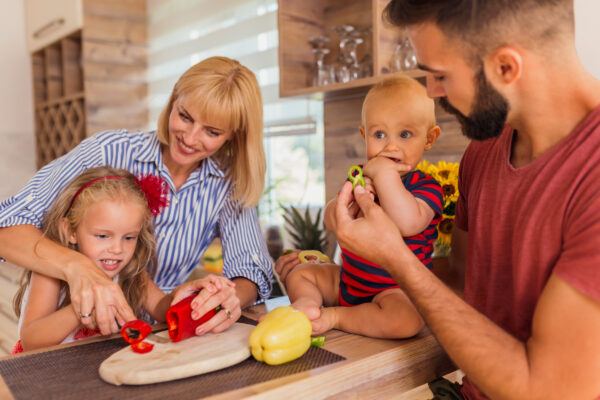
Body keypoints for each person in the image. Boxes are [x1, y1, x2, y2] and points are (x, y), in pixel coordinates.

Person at [331, 0, 600, 399]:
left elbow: (548, 389)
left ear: (506, 67)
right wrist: (358, 259)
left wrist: (395, 256)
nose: (431, 91)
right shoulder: (484, 151)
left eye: (440, 75)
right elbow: (460, 282)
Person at [0, 56, 272, 336]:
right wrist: (79, 268)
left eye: (212, 132)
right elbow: (5, 226)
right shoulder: (108, 151)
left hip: (153, 337)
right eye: (185, 116)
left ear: (233, 136)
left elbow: (250, 270)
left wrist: (220, 298)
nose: (190, 138)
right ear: (173, 99)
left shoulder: (229, 183)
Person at [281, 76, 443, 338]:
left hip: (394, 291)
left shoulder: (426, 187)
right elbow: (331, 220)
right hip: (347, 282)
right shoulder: (358, 179)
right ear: (363, 135)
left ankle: (334, 316)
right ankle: (307, 307)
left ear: (429, 138)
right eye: (379, 134)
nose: (391, 145)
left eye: (405, 134)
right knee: (300, 274)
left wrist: (384, 175)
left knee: (407, 321)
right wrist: (342, 206)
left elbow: (407, 223)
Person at [12, 166, 233, 352]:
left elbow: (160, 308)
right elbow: (32, 340)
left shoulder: (129, 270)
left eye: (129, 237)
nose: (117, 249)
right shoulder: (51, 272)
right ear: (70, 231)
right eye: (102, 236)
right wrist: (84, 305)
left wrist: (188, 296)